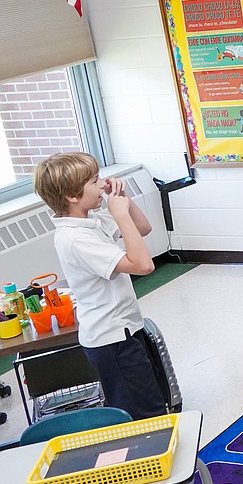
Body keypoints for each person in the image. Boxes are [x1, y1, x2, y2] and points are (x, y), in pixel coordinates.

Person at [33, 152, 166, 419]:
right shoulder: (75, 238)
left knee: (153, 400)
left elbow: (143, 228)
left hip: (125, 329)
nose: (102, 183)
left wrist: (123, 202)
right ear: (72, 196)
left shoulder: (88, 221)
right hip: (112, 339)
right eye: (95, 181)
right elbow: (143, 265)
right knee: (143, 414)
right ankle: (146, 456)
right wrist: (119, 213)